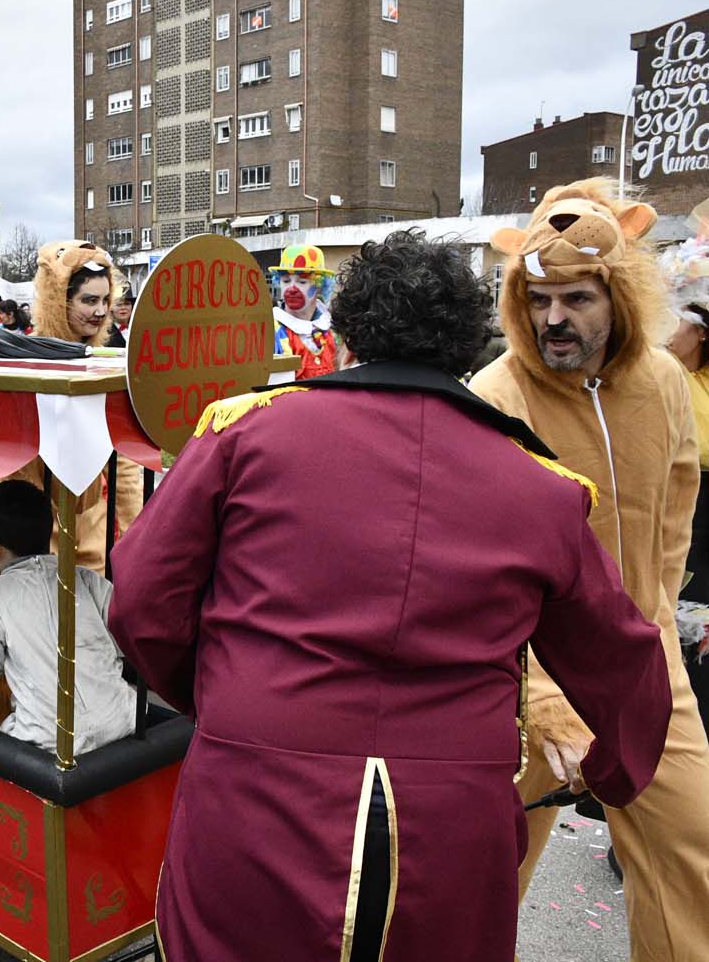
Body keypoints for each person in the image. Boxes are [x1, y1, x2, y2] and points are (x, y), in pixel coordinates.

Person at [109, 228, 673, 961]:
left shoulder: (244, 436)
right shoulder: (543, 490)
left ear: (346, 338)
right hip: (451, 819)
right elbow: (625, 661)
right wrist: (610, 774)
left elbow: (142, 602)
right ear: (467, 347)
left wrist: (222, 697)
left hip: (257, 786)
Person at [470, 180, 709, 958]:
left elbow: (676, 506)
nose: (553, 319)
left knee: (689, 854)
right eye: (538, 299)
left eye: (575, 298)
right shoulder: (496, 396)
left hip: (645, 664)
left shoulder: (663, 381)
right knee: (486, 876)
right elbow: (487, 571)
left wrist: (658, 622)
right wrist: (544, 699)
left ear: (621, 296)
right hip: (522, 679)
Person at [0, 480, 134, 754]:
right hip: (122, 723)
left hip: (51, 742)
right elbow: (125, 628)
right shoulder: (82, 578)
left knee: (8, 729)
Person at [14, 240, 143, 573]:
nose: (100, 311)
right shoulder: (24, 361)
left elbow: (127, 467)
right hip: (38, 536)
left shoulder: (109, 363)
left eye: (105, 300)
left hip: (95, 530)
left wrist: (134, 541)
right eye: (89, 300)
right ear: (60, 301)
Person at [662, 213, 709, 736]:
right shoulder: (662, 372)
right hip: (676, 520)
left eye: (672, 319)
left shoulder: (686, 385)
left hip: (701, 529)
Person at [271, 243, 339, 379]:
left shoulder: (332, 328)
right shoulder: (271, 330)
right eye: (285, 281)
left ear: (319, 286)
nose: (292, 288)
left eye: (302, 282)